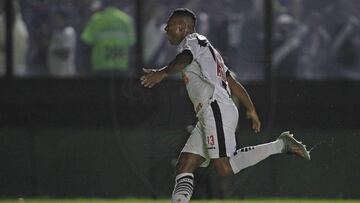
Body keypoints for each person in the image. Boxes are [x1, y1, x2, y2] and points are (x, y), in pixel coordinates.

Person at [140, 8, 310, 203]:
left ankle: (281, 145)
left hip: (215, 109)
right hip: (211, 112)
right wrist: (251, 108)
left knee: (224, 167)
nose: (165, 28)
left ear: (182, 27)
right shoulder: (209, 51)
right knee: (184, 165)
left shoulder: (192, 42)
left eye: (169, 25)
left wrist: (162, 72)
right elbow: (232, 82)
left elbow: (184, 58)